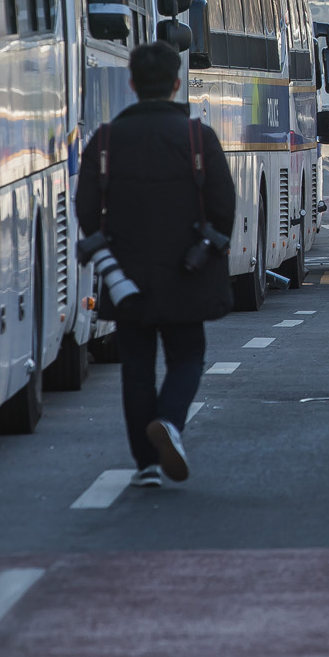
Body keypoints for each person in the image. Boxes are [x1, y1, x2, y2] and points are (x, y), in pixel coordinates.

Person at [75, 41, 235, 486]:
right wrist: (206, 247)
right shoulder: (196, 137)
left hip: (125, 275)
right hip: (188, 271)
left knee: (136, 366)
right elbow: (223, 205)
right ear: (176, 84)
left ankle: (145, 464)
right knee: (187, 356)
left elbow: (86, 209)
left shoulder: (105, 139)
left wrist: (109, 257)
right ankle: (168, 422)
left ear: (131, 84)